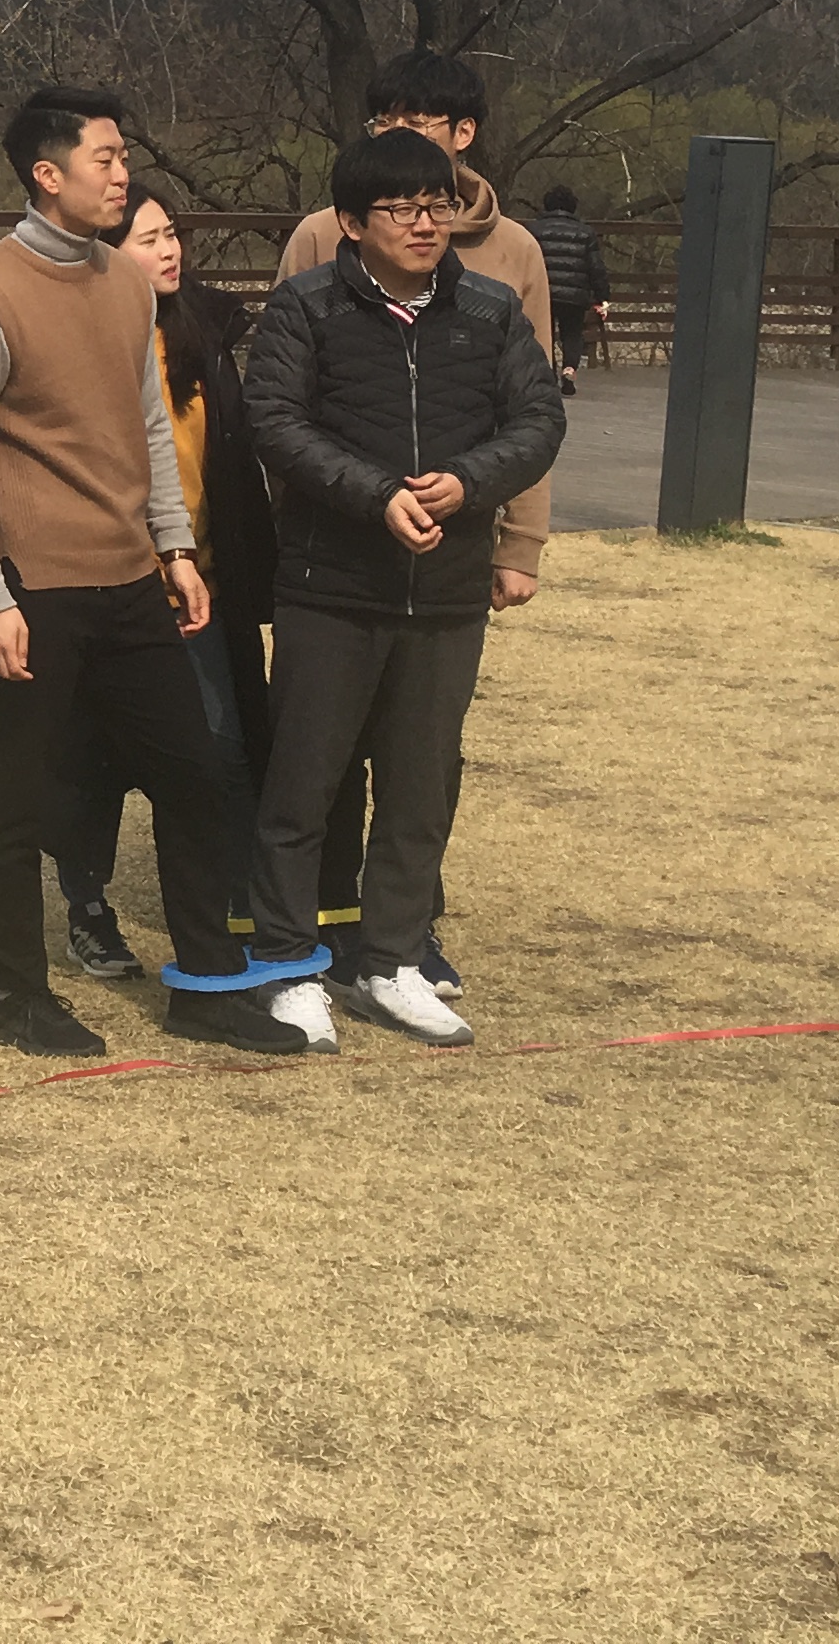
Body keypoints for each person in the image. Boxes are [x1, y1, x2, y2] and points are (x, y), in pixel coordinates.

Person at [0, 87, 305, 1059]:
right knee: (19, 792)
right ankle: (18, 997)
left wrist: (175, 549)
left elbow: (146, 426)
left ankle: (206, 986)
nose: (121, 174)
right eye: (103, 158)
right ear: (46, 174)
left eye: (122, 157)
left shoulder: (128, 288)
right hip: (29, 587)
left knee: (196, 774)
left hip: (131, 577)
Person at [240, 130, 566, 1051]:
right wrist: (375, 494)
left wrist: (469, 482)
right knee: (304, 784)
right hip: (331, 585)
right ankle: (286, 961)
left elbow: (538, 419)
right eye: (403, 209)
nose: (426, 224)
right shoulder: (306, 306)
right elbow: (274, 420)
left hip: (447, 591)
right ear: (352, 223)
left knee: (422, 788)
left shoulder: (490, 311)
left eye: (439, 206)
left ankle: (391, 959)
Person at [44, 177, 279, 986]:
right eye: (148, 240)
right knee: (98, 757)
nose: (170, 250)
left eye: (172, 233)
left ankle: (238, 905)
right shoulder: (85, 340)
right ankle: (88, 908)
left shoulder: (201, 333)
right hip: (111, 582)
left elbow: (229, 464)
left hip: (200, 581)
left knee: (223, 746)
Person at [526, 186, 612, 390]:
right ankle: (569, 369)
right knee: (572, 333)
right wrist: (602, 296)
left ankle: (549, 371)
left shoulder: (533, 229)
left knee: (544, 332)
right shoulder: (585, 232)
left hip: (543, 292)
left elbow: (524, 261)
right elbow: (596, 267)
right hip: (575, 293)